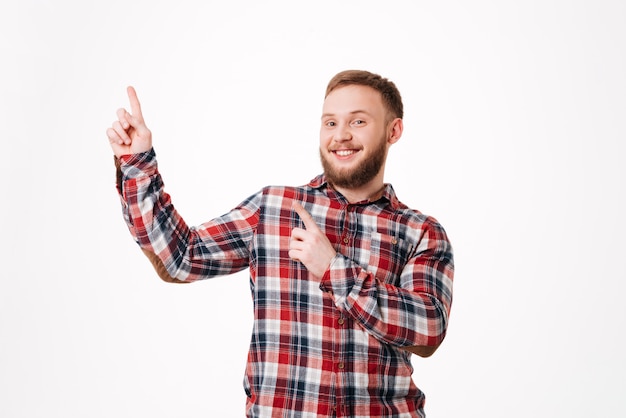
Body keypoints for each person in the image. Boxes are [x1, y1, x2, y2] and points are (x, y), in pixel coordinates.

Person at [106, 70, 454, 417]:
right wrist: (136, 164)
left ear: (393, 131)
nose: (341, 136)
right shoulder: (274, 210)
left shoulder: (420, 231)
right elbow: (179, 258)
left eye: (358, 121)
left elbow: (428, 330)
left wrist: (334, 270)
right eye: (330, 123)